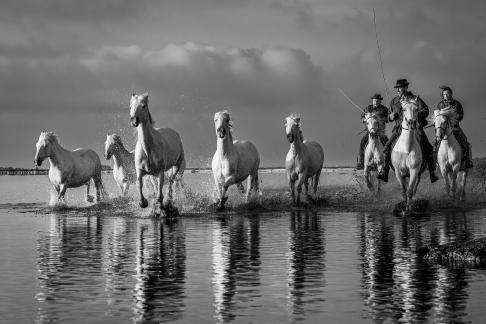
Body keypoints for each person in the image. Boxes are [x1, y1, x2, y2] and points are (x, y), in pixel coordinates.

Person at [377, 79, 439, 183]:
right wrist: (391, 117)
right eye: (397, 88)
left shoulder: (415, 99)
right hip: (399, 129)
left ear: (406, 87)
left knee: (428, 148)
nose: (398, 90)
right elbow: (387, 117)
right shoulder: (394, 101)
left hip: (415, 128)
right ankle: (385, 172)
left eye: (400, 87)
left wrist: (415, 116)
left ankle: (432, 173)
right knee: (386, 148)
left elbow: (425, 110)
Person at [435, 86, 473, 169]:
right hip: (443, 128)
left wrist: (453, 120)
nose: (446, 95)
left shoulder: (456, 104)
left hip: (455, 127)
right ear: (443, 95)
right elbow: (437, 116)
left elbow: (461, 115)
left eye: (448, 93)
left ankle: (467, 160)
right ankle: (436, 160)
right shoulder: (440, 104)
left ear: (451, 94)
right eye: (444, 94)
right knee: (435, 142)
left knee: (464, 140)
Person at [356, 93, 389, 170]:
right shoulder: (368, 108)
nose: (376, 102)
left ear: (380, 101)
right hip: (369, 131)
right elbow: (362, 117)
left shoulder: (384, 109)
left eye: (377, 101)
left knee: (387, 144)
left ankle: (388, 163)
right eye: (374, 101)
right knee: (362, 142)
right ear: (372, 101)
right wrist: (364, 120)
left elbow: (388, 119)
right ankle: (360, 162)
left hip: (380, 131)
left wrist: (381, 119)